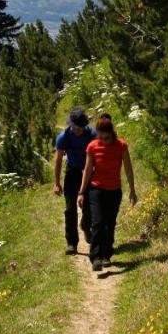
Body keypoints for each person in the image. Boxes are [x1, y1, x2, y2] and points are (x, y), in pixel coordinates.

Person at [77, 115, 137, 272]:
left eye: (107, 137)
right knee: (97, 222)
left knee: (109, 224)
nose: (104, 140)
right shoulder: (92, 146)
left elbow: (128, 169)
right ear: (97, 134)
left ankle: (106, 255)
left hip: (114, 190)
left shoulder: (121, 146)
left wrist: (132, 190)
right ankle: (96, 257)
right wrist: (82, 192)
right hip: (96, 189)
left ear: (112, 133)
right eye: (101, 137)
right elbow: (88, 170)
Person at [54, 106, 95, 254]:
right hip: (72, 172)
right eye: (77, 127)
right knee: (70, 209)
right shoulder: (63, 137)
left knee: (89, 206)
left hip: (89, 172)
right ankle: (72, 243)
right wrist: (57, 183)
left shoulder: (91, 134)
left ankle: (85, 225)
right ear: (71, 125)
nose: (80, 130)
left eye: (82, 127)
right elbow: (58, 160)